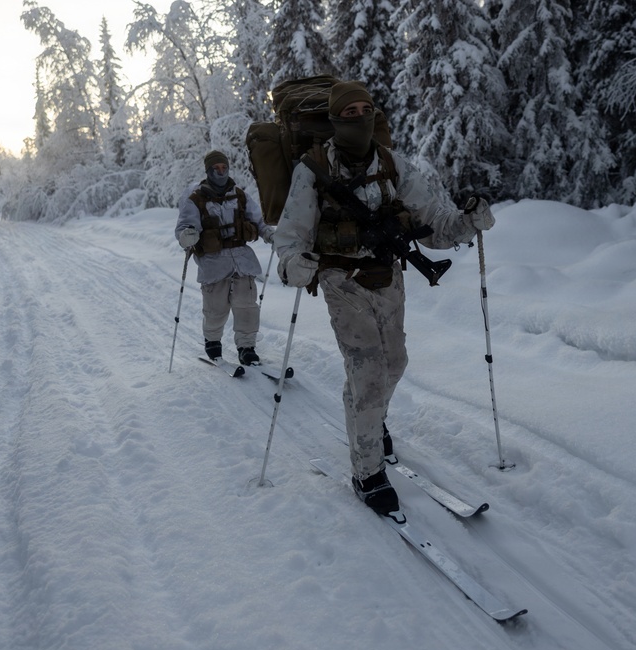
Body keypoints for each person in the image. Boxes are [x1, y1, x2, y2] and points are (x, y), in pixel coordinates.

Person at [273, 81, 495, 517]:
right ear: (336, 121)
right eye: (349, 112)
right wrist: (292, 264)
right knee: (369, 370)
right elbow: (290, 235)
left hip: (388, 277)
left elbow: (435, 221)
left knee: (395, 363)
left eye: (366, 109)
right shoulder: (312, 170)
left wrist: (469, 222)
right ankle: (367, 472)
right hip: (341, 280)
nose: (360, 118)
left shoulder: (394, 164)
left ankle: (369, 422)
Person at [176, 150, 275, 366]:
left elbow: (259, 220)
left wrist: (270, 234)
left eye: (224, 168)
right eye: (216, 168)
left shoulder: (239, 195)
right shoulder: (196, 199)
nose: (221, 172)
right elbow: (183, 227)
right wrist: (187, 235)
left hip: (242, 260)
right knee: (215, 310)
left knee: (247, 307)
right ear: (208, 170)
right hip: (213, 264)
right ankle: (212, 343)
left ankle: (247, 348)